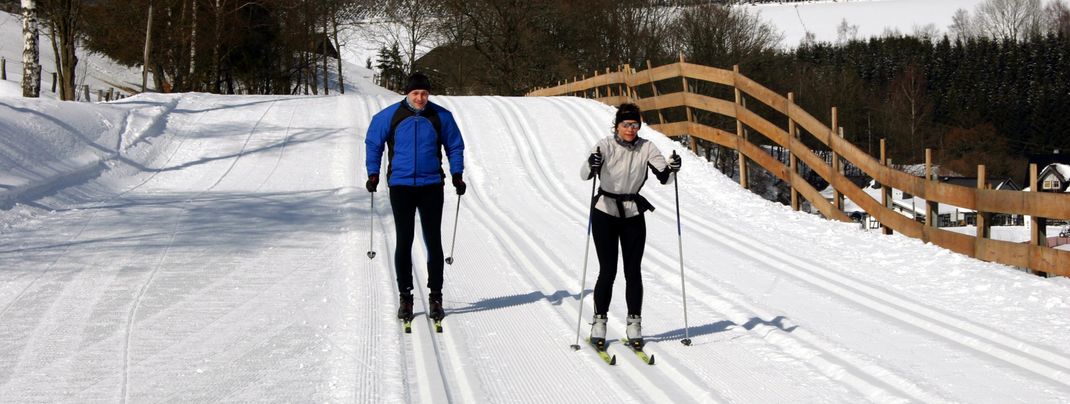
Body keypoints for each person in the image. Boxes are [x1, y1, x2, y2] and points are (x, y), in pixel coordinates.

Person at [365, 72, 466, 323]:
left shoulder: (441, 116)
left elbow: (454, 146)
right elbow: (373, 144)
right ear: (407, 94)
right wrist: (373, 173)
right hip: (401, 186)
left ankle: (435, 296)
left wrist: (457, 174)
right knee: (404, 240)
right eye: (415, 93)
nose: (420, 98)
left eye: (424, 93)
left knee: (433, 241)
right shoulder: (389, 116)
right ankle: (406, 297)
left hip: (431, 185)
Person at [579, 103, 681, 350]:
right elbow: (584, 175)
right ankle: (599, 322)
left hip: (633, 213)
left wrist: (674, 168)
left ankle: (634, 324)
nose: (631, 129)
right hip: (605, 210)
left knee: (633, 271)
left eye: (635, 125)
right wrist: (592, 162)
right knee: (608, 270)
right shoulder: (605, 145)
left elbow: (665, 177)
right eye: (626, 125)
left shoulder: (646, 147)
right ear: (617, 125)